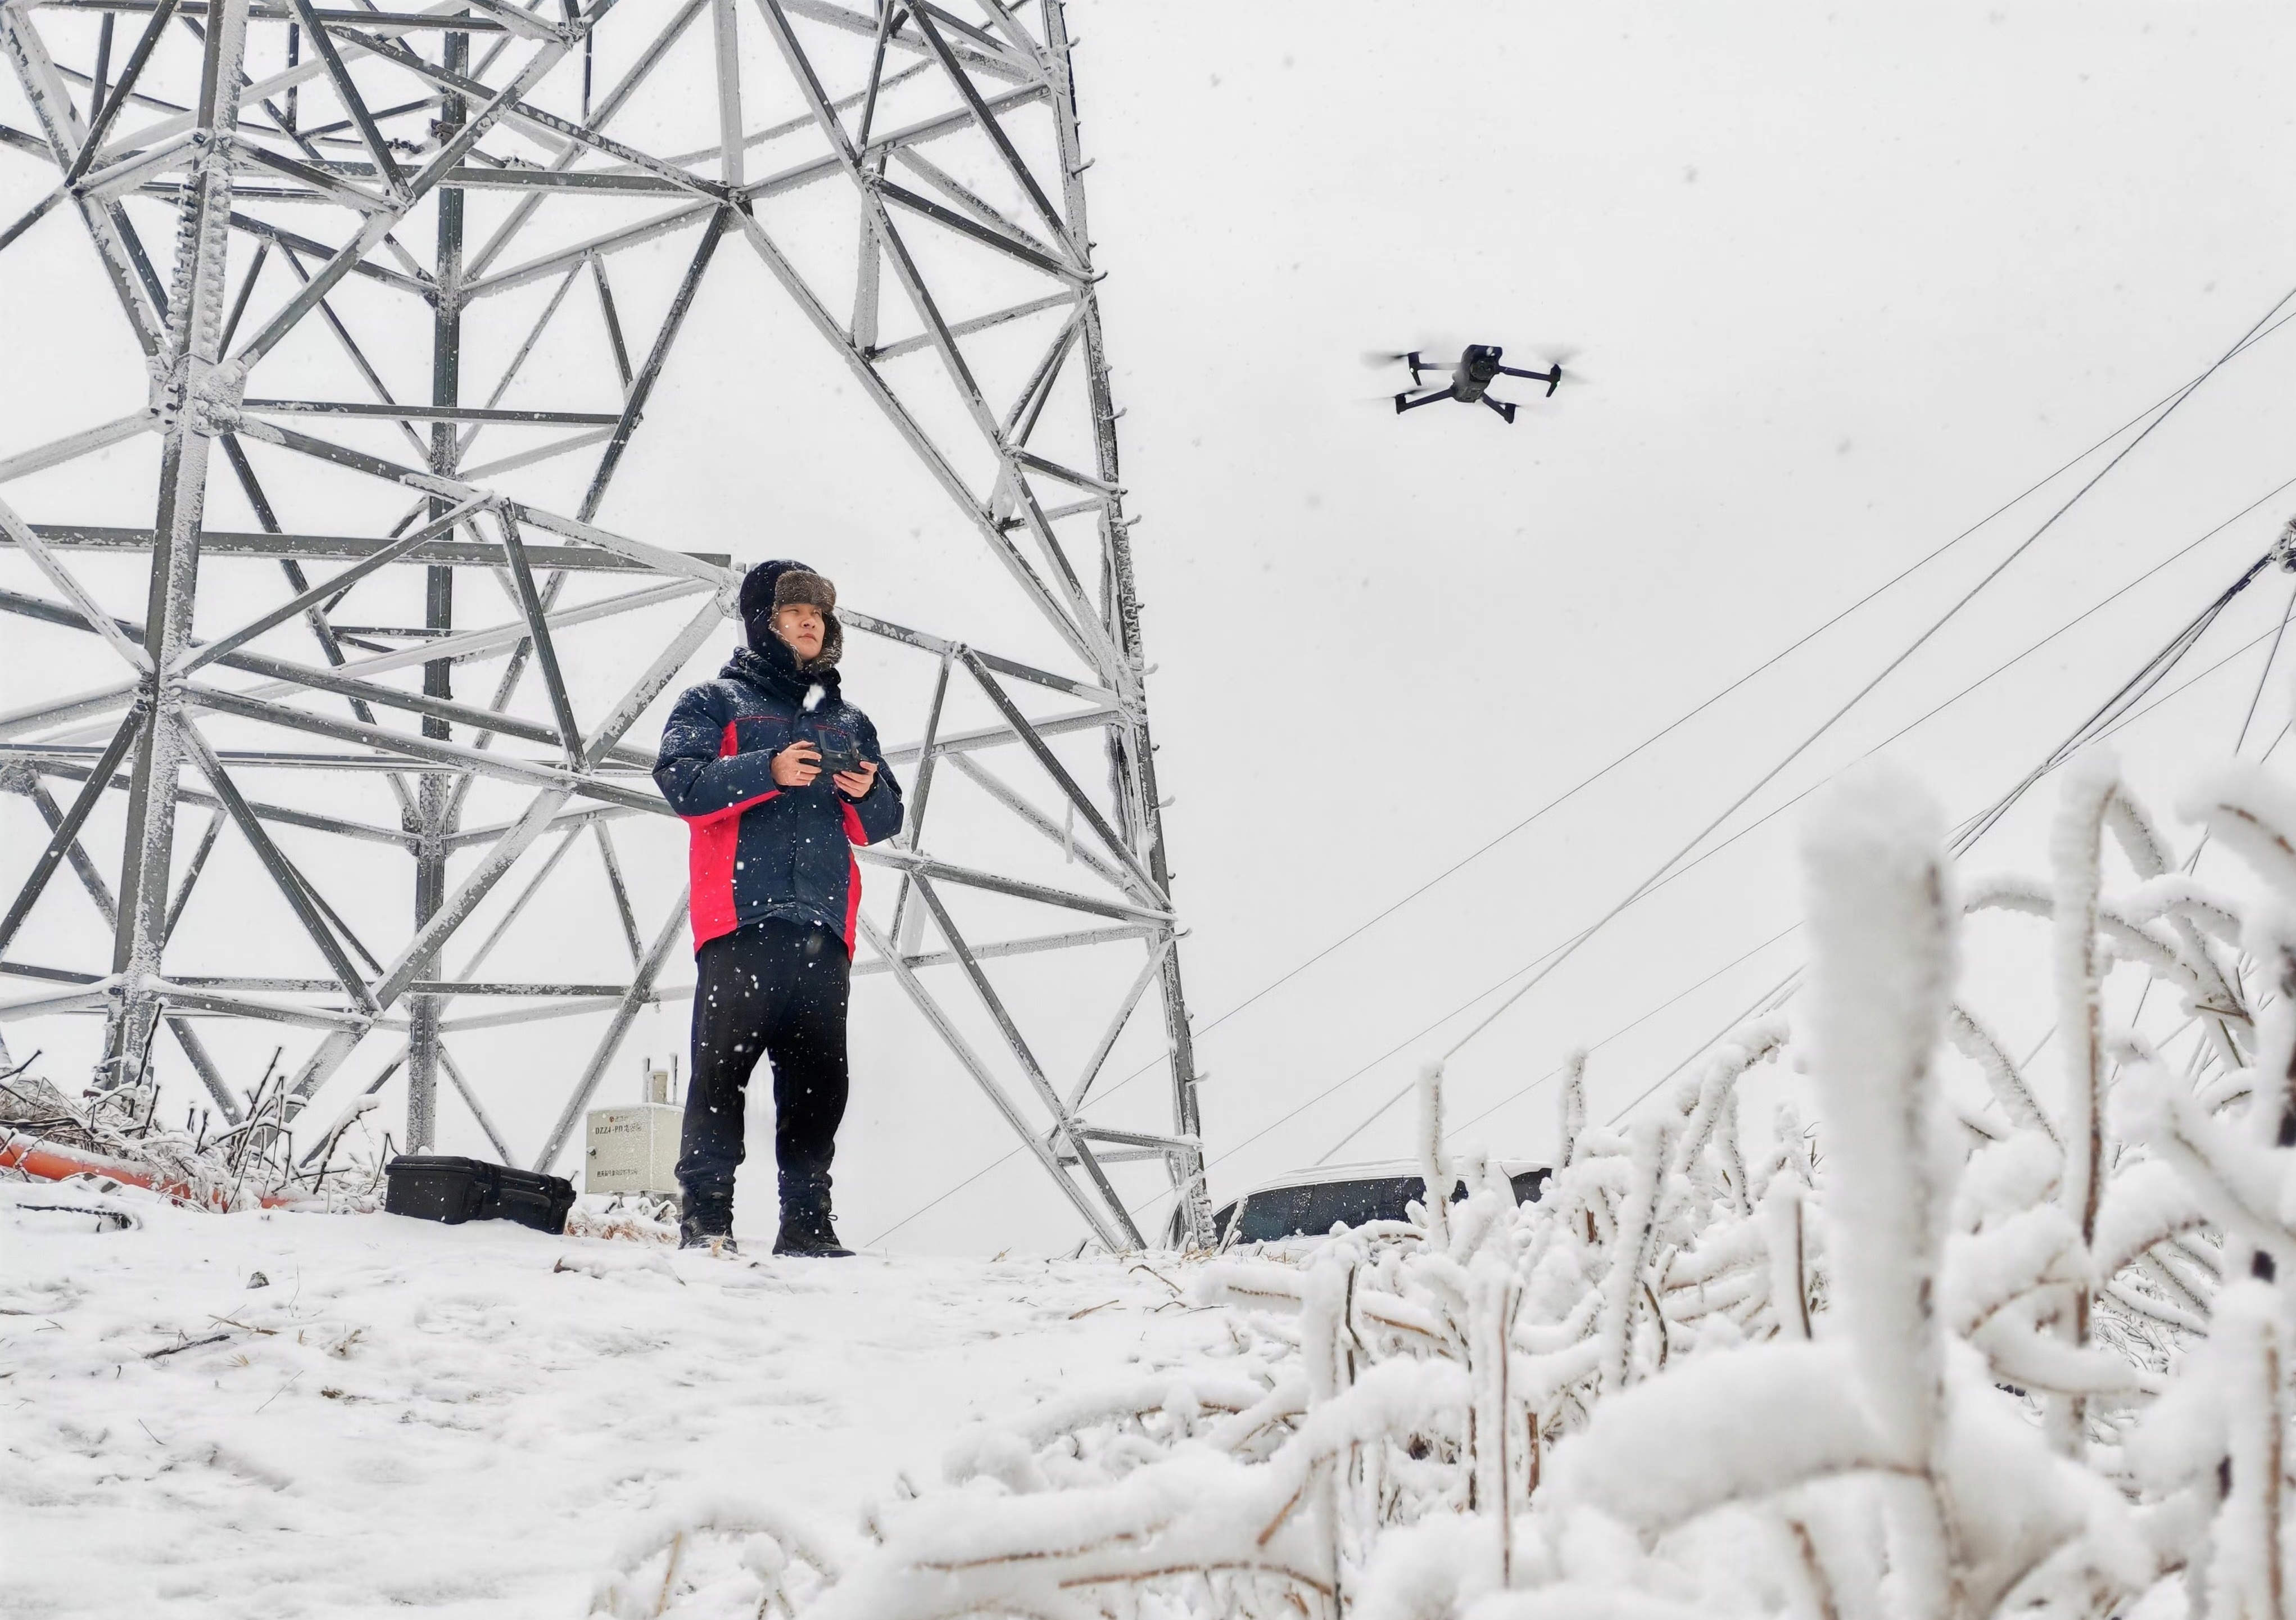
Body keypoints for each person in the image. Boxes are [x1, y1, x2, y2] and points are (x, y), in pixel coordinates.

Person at [653, 560, 904, 1255]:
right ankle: (707, 1221)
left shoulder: (848, 720)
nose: (808, 622)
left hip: (824, 926)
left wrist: (862, 790)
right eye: (794, 611)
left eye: (818, 614)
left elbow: (882, 821)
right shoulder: (714, 701)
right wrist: (766, 771)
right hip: (741, 918)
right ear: (762, 621)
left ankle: (807, 1224)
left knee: (820, 1083)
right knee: (720, 1074)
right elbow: (682, 784)